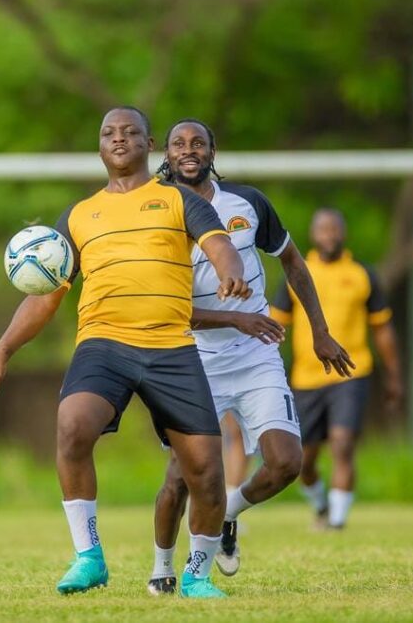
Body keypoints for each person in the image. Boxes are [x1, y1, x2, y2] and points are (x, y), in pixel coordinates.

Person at [0, 107, 251, 598]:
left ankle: (196, 576)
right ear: (100, 147)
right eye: (108, 132)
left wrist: (230, 270)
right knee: (72, 426)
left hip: (171, 347)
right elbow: (46, 296)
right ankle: (89, 556)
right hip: (103, 343)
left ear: (149, 145)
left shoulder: (178, 200)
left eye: (130, 132)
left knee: (207, 472)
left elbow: (220, 248)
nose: (118, 138)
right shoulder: (79, 216)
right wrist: (2, 350)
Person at [148, 119, 353, 594]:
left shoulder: (248, 203)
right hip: (192, 358)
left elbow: (293, 262)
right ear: (168, 154)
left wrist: (320, 332)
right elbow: (167, 306)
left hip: (256, 353)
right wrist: (236, 318)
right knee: (181, 477)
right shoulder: (157, 214)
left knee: (286, 464)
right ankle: (162, 567)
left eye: (198, 142)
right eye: (179, 143)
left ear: (213, 149)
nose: (189, 150)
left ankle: (228, 515)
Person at [271, 208, 403, 530]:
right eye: (323, 230)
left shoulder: (362, 274)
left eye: (335, 229)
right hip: (306, 378)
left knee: (343, 443)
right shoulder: (297, 273)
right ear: (313, 235)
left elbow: (382, 329)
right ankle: (321, 505)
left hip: (352, 373)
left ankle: (338, 522)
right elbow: (275, 327)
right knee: (304, 460)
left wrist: (394, 376)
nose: (329, 235)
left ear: (343, 234)